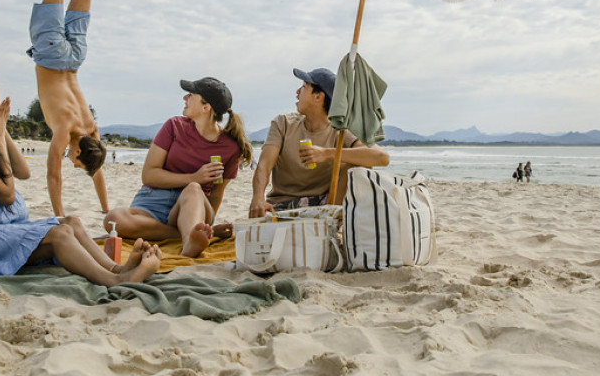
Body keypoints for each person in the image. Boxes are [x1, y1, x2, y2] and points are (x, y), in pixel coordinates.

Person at [0, 63, 160, 285]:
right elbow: (6, 194)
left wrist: (0, 131)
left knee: (72, 222)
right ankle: (114, 281)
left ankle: (117, 269)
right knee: (60, 235)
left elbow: (23, 172)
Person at [29, 0, 147, 218]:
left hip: (75, 59)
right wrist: (60, 215)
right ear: (79, 151)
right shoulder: (66, 128)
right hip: (52, 56)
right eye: (75, 160)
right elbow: (53, 175)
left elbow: (97, 169)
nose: (72, 161)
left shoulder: (92, 130)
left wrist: (107, 209)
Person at [105, 78, 253, 257]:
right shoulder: (174, 126)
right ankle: (186, 234)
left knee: (193, 189)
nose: (185, 98)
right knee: (113, 219)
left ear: (206, 108)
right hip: (153, 203)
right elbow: (149, 175)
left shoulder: (230, 147)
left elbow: (215, 195)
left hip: (193, 205)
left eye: (191, 95)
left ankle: (190, 239)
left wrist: (196, 190)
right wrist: (193, 177)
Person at [249, 67, 390, 217]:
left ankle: (335, 221)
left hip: (325, 207)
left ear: (318, 97)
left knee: (358, 161)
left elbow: (381, 157)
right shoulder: (283, 123)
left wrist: (327, 154)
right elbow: (264, 165)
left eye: (303, 87)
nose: (297, 92)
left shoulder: (341, 131)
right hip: (283, 204)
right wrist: (258, 198)